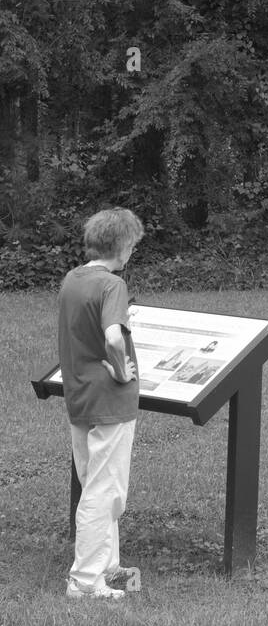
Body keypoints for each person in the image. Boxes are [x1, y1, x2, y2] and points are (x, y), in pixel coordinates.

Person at [57, 208, 144, 600]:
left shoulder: (72, 280)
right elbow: (112, 337)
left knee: (93, 482)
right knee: (105, 491)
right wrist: (123, 372)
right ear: (123, 247)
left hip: (78, 395)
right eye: (132, 246)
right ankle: (86, 581)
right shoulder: (113, 285)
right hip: (109, 401)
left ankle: (106, 566)